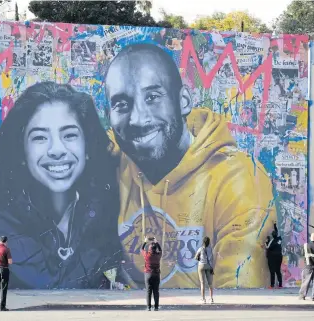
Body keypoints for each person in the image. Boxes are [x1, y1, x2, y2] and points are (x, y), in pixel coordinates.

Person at [104, 43, 275, 288]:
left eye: (152, 97)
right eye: (121, 104)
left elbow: (240, 295)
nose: (137, 118)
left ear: (183, 101)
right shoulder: (112, 157)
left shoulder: (238, 177)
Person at [0, 82, 122, 289]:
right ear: (22, 152)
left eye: (69, 135)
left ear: (88, 147)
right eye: (40, 137)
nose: (57, 150)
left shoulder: (110, 217)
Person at [141, 236, 162, 311]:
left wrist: (145, 241)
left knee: (148, 291)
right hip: (156, 275)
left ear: (149, 249)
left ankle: (148, 307)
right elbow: (160, 250)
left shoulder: (147, 255)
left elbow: (142, 249)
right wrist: (156, 242)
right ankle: (156, 307)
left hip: (148, 274)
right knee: (156, 291)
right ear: (155, 248)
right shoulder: (158, 255)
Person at [195, 237, 215, 304]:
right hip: (209, 266)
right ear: (209, 242)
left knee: (202, 283)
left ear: (203, 242)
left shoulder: (200, 249)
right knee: (210, 283)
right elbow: (212, 259)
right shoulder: (210, 249)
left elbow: (195, 257)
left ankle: (203, 299)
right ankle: (211, 298)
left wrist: (199, 258)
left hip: (201, 265)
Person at [265, 223, 283, 289]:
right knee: (278, 271)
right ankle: (280, 285)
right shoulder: (279, 239)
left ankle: (272, 285)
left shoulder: (272, 242)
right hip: (279, 257)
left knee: (272, 271)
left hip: (272, 258)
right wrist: (275, 225)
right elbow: (277, 232)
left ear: (272, 235)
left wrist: (266, 242)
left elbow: (268, 247)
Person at [299, 233, 314, 300]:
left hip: (308, 265)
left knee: (306, 281)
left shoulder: (305, 245)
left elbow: (302, 254)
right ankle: (313, 297)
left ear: (311, 238)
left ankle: (302, 296)